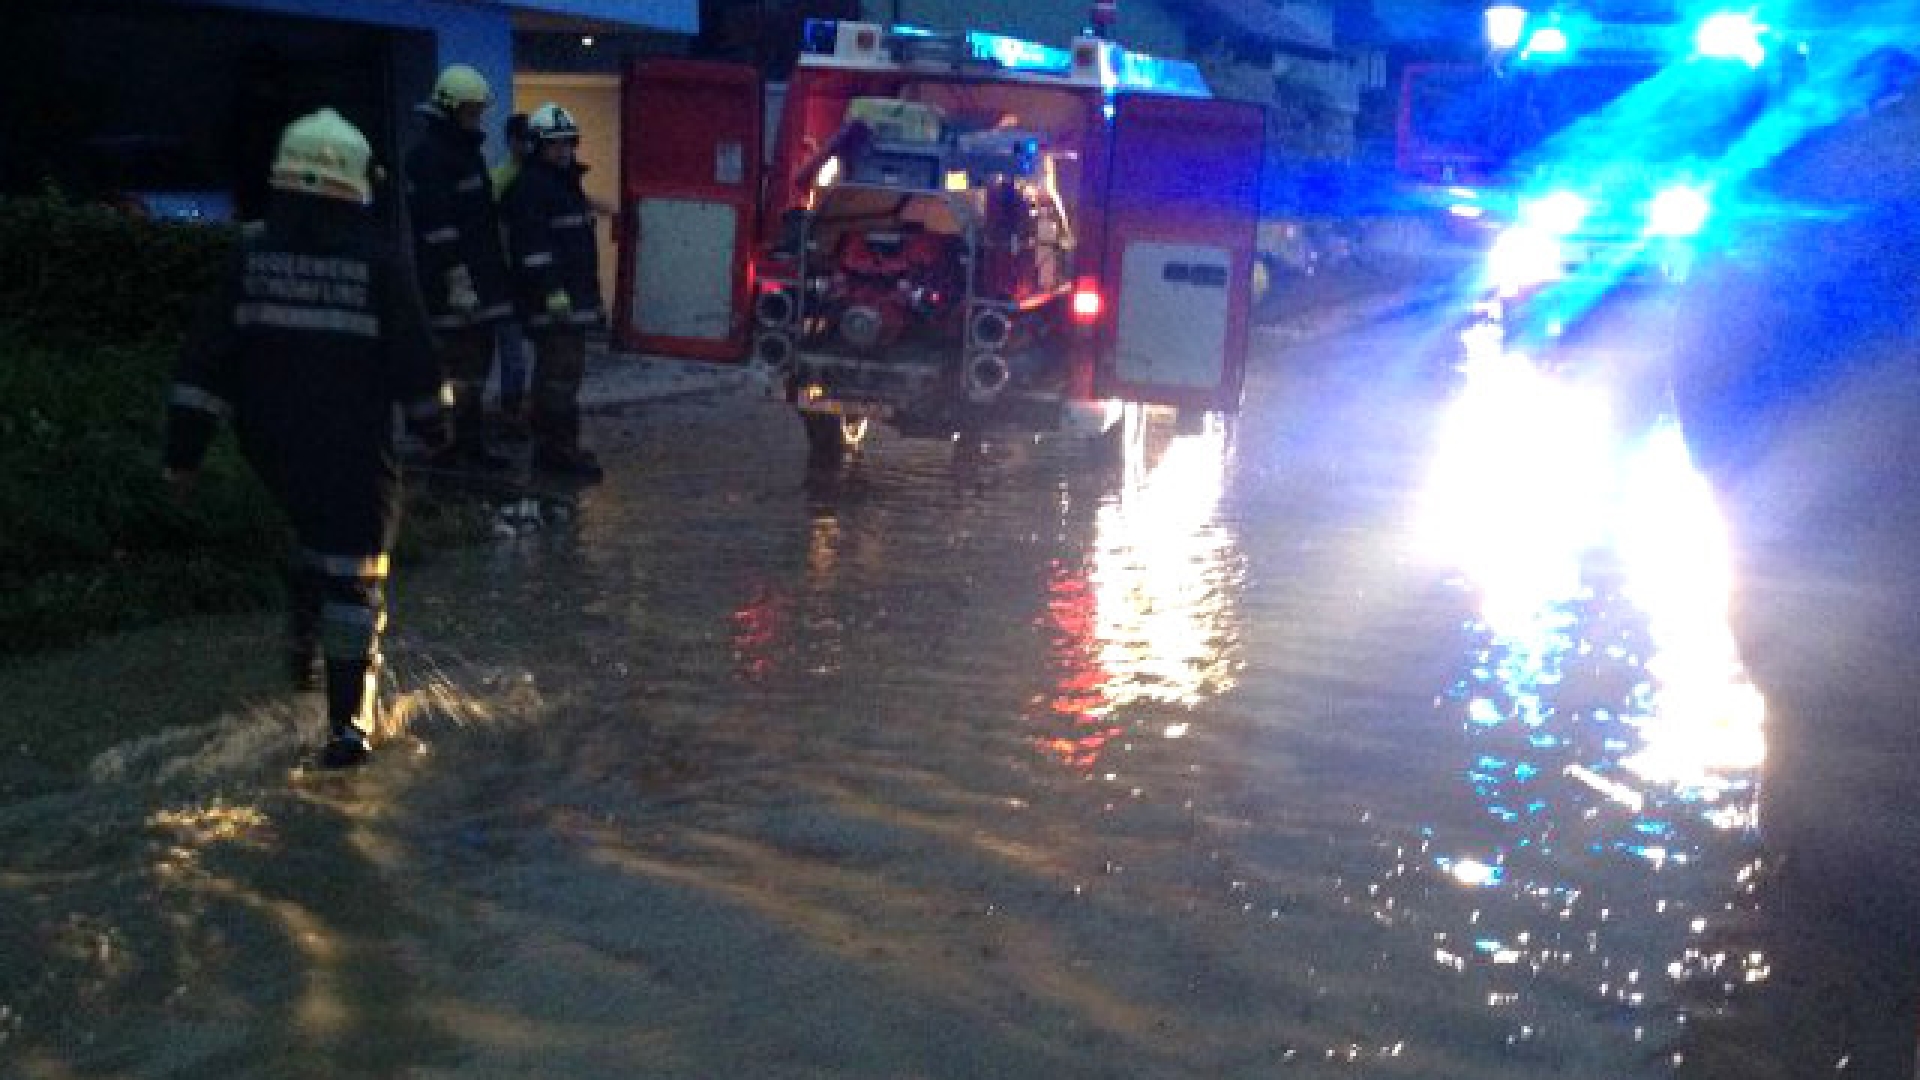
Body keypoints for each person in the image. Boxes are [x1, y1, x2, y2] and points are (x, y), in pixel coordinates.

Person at [163, 108, 451, 770]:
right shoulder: (378, 262)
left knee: (308, 547)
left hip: (269, 447)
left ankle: (300, 670)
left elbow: (203, 362)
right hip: (352, 449)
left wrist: (182, 455)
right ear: (354, 184)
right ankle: (347, 729)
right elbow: (416, 360)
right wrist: (436, 429)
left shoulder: (249, 258)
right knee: (355, 576)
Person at [403, 64, 514, 471]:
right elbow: (438, 227)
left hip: (474, 282)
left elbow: (476, 222)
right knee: (455, 369)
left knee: (476, 368)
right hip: (449, 285)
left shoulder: (463, 154)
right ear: (449, 109)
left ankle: (468, 444)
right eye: (470, 110)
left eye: (478, 110)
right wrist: (457, 278)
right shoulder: (431, 159)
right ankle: (446, 446)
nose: (477, 117)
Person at [503, 102, 605, 481]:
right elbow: (533, 249)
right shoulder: (532, 188)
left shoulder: (562, 186)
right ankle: (555, 452)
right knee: (557, 376)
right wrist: (552, 292)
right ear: (537, 146)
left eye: (568, 143)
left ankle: (561, 447)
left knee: (565, 374)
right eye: (554, 145)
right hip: (552, 302)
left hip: (570, 300)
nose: (563, 151)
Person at [490, 112, 534, 440]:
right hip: (506, 280)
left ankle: (518, 409)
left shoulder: (537, 178)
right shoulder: (500, 180)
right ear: (511, 141)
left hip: (531, 280)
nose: (528, 146)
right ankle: (510, 411)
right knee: (513, 354)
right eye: (523, 139)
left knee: (523, 354)